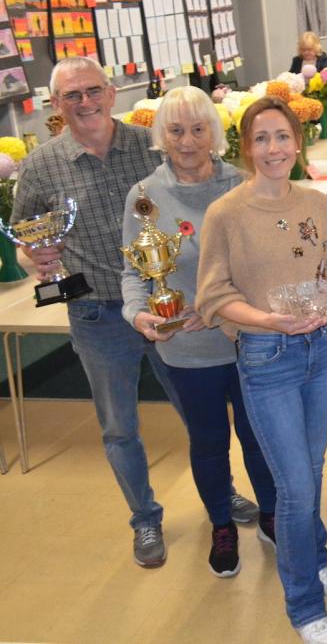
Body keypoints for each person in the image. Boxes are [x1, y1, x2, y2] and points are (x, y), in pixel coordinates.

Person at [14, 57, 260, 569]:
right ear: (54, 106)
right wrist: (30, 257)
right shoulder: (42, 165)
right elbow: (25, 237)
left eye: (92, 91)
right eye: (71, 96)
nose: (84, 102)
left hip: (170, 314)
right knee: (119, 426)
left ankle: (223, 497)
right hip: (96, 313)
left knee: (200, 418)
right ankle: (144, 517)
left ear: (110, 93)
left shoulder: (151, 142)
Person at [196, 96, 327, 644]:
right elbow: (213, 296)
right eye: (261, 139)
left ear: (297, 142)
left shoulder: (316, 201)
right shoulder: (226, 214)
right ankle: (305, 604)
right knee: (293, 486)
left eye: (282, 137)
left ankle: (319, 554)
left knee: (311, 472)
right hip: (268, 356)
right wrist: (265, 319)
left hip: (324, 347)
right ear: (245, 147)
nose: (273, 149)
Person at [120, 86, 277, 578]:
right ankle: (222, 525)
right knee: (209, 442)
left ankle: (272, 514)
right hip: (187, 347)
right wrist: (138, 313)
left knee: (259, 438)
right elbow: (134, 272)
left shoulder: (244, 184)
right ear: (160, 135)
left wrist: (225, 307)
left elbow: (266, 261)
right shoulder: (144, 196)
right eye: (176, 130)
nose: (188, 141)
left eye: (198, 128)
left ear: (216, 132)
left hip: (248, 339)